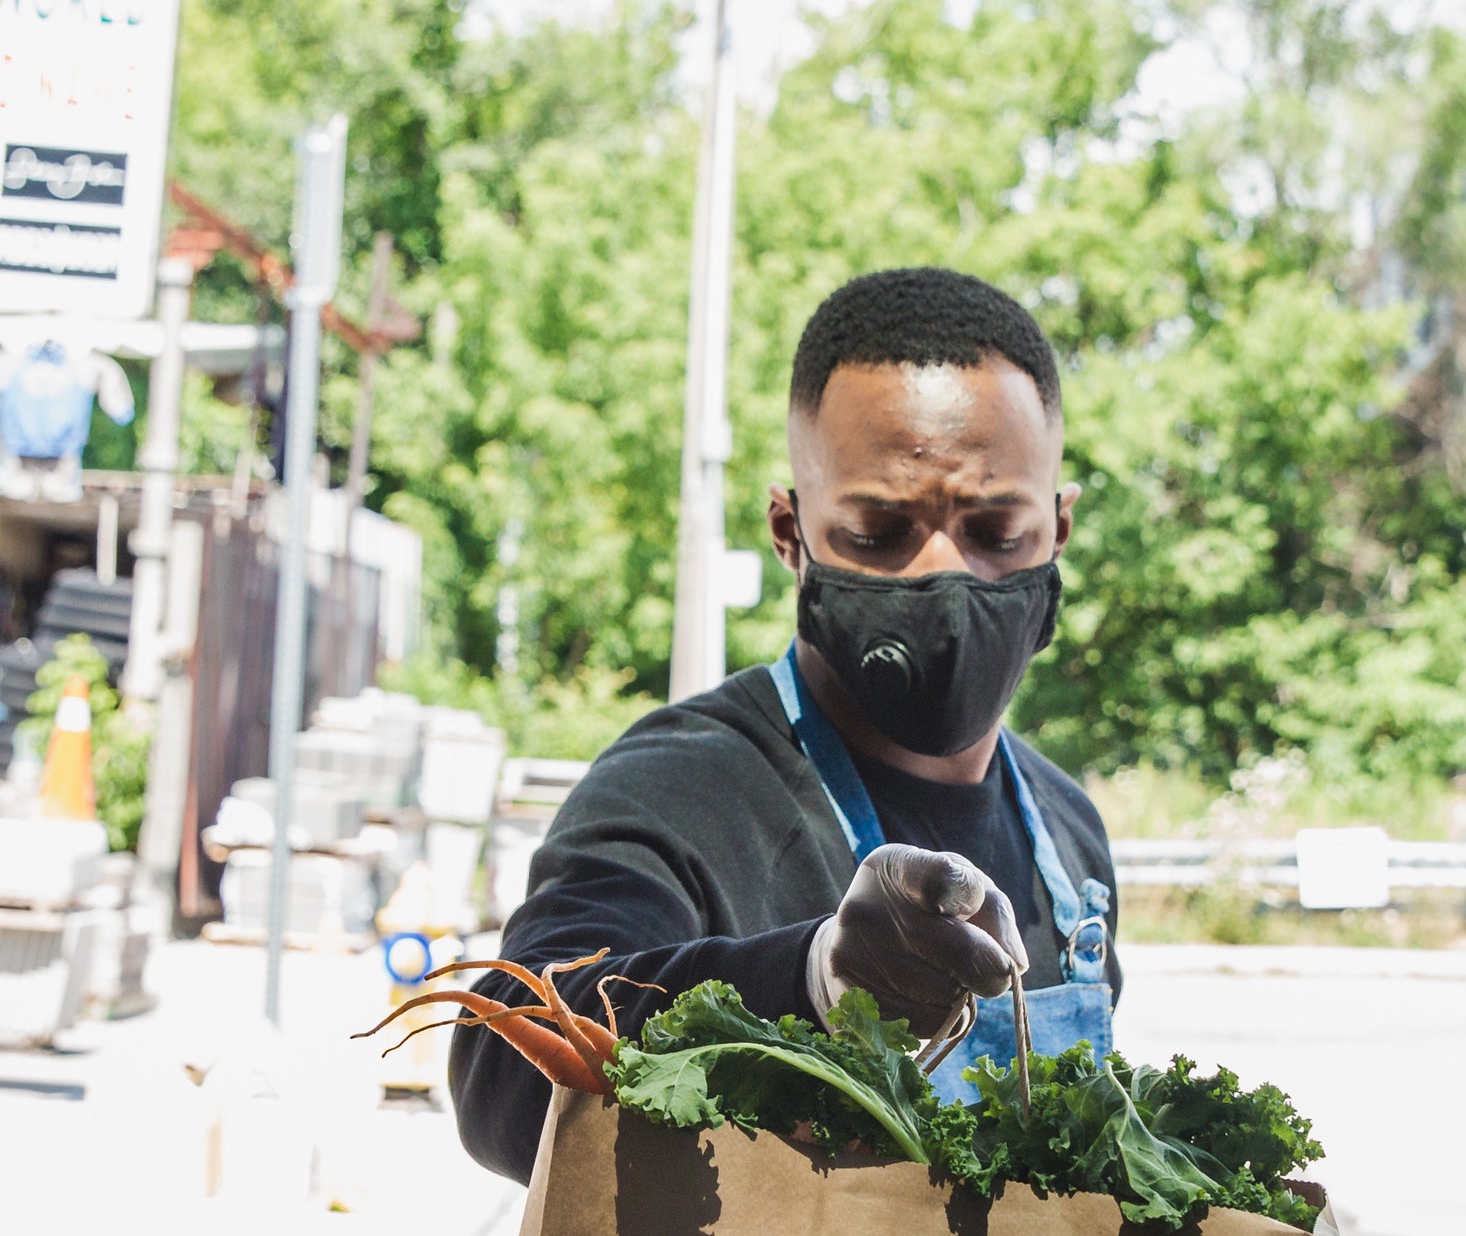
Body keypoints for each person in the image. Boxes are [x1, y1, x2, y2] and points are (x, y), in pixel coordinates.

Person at [450, 268, 1119, 1182]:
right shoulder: (678, 791)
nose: (943, 578)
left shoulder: (1068, 832)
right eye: (879, 533)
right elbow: (502, 1073)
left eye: (997, 530)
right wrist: (814, 983)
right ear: (790, 532)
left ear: (1060, 529)